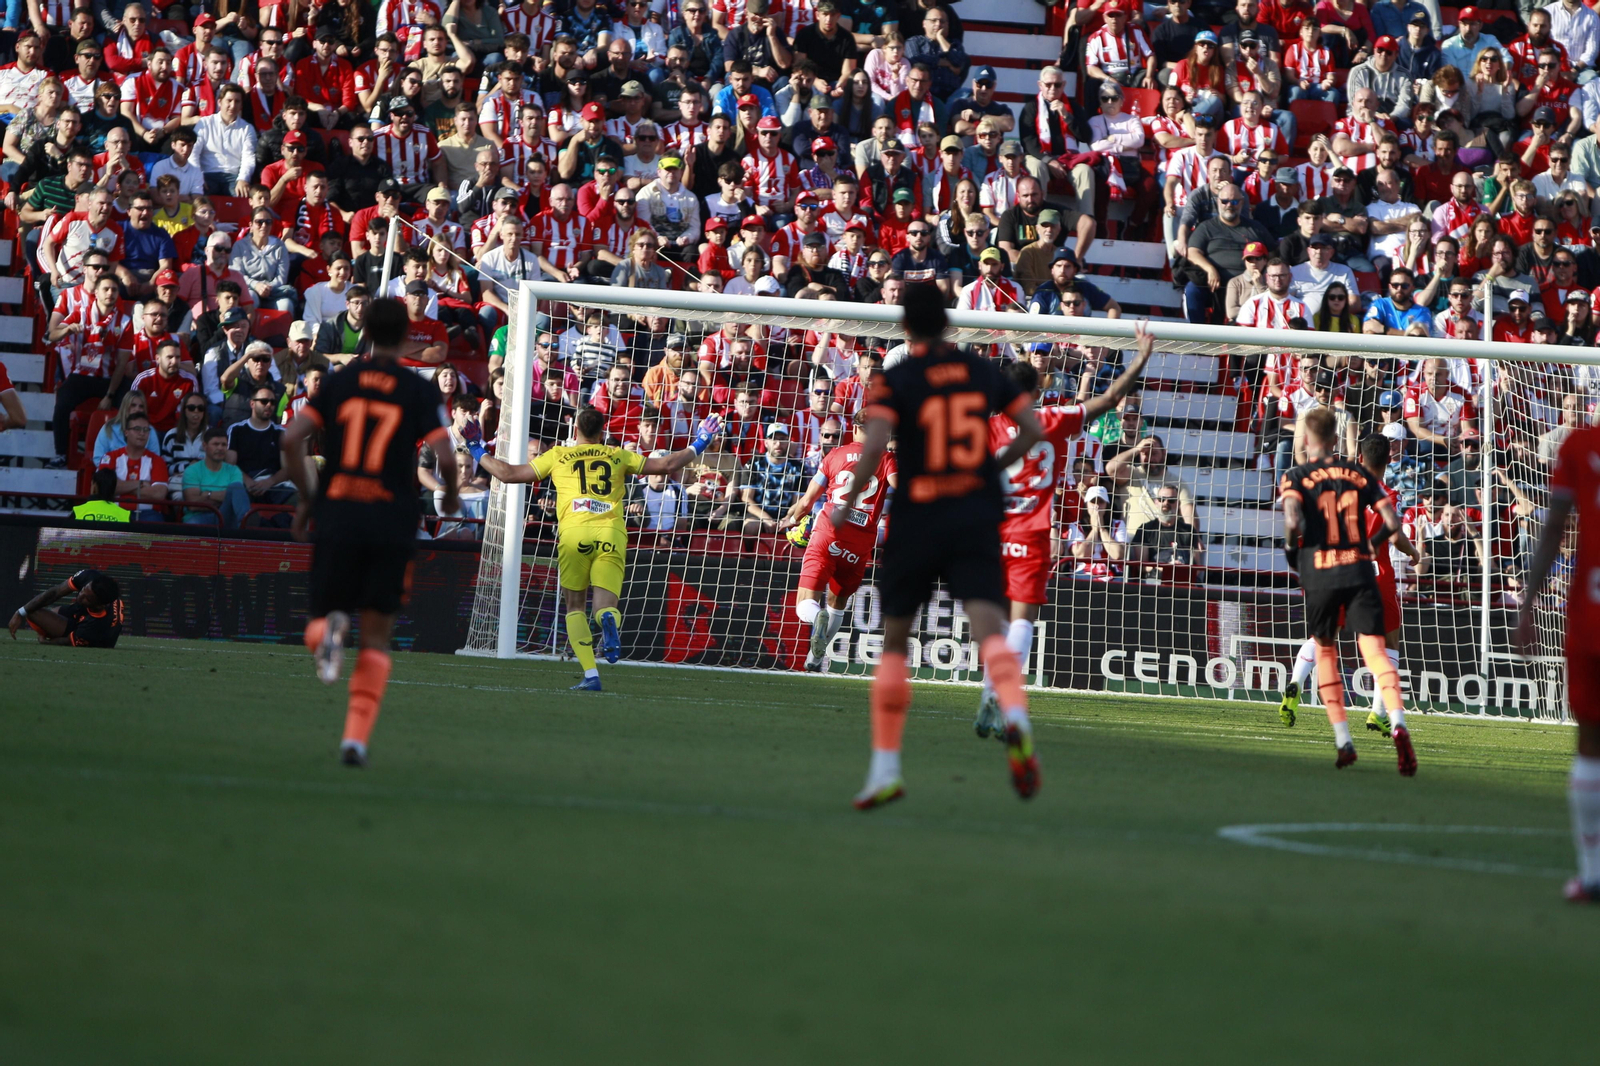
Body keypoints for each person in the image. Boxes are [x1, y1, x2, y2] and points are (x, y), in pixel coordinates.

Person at [831, 283, 1047, 810]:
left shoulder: (896, 377)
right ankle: (1015, 719)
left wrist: (848, 500)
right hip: (973, 512)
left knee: (896, 641)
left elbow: (876, 445)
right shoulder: (980, 370)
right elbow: (1031, 426)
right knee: (989, 630)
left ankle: (885, 769)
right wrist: (988, 468)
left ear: (906, 327)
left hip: (920, 513)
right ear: (948, 324)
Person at [278, 298, 457, 767]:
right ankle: (355, 740)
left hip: (338, 512)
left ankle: (328, 631)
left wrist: (307, 496)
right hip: (391, 518)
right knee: (376, 635)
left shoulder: (338, 382)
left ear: (367, 334)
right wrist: (453, 494)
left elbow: (290, 439)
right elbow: (447, 454)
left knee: (321, 617)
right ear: (405, 337)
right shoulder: (417, 392)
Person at [972, 330, 1155, 735]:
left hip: (990, 534)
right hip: (1034, 531)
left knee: (997, 621)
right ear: (1038, 390)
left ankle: (990, 689)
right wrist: (1140, 359)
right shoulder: (1051, 420)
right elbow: (1107, 401)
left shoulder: (985, 429)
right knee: (1023, 619)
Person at [478, 405, 723, 691]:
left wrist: (474, 447)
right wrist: (701, 440)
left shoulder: (558, 455)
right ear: (602, 431)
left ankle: (591, 675)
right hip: (610, 532)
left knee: (574, 607)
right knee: (605, 607)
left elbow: (507, 474)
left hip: (574, 534)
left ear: (575, 430)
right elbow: (667, 465)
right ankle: (608, 619)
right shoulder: (617, 455)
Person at [1279, 406, 1417, 774]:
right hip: (1376, 574)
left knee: (1325, 639)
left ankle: (1296, 686)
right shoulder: (1382, 490)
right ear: (1389, 460)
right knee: (1386, 644)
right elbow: (1395, 531)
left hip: (1332, 568)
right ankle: (1381, 713)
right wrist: (1413, 551)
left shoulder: (1335, 481)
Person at [1516, 405, 1600, 902]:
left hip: (1590, 613)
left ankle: (1592, 874)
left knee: (1590, 742)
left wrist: (1527, 602)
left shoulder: (1579, 446)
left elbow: (1552, 529)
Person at [778, 411, 898, 672]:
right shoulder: (887, 458)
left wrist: (793, 521)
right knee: (837, 602)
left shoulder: (835, 456)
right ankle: (815, 659)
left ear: (854, 429)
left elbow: (808, 501)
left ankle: (814, 616)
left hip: (828, 532)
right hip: (860, 543)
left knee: (804, 604)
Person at [8, 568, 125, 648]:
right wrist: (20, 612)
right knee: (31, 609)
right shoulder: (89, 576)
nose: (80, 596)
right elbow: (55, 592)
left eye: (87, 599)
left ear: (99, 604)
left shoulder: (96, 625)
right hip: (82, 612)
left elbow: (66, 641)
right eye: (83, 590)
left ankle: (55, 631)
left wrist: (45, 642)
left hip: (96, 636)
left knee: (34, 614)